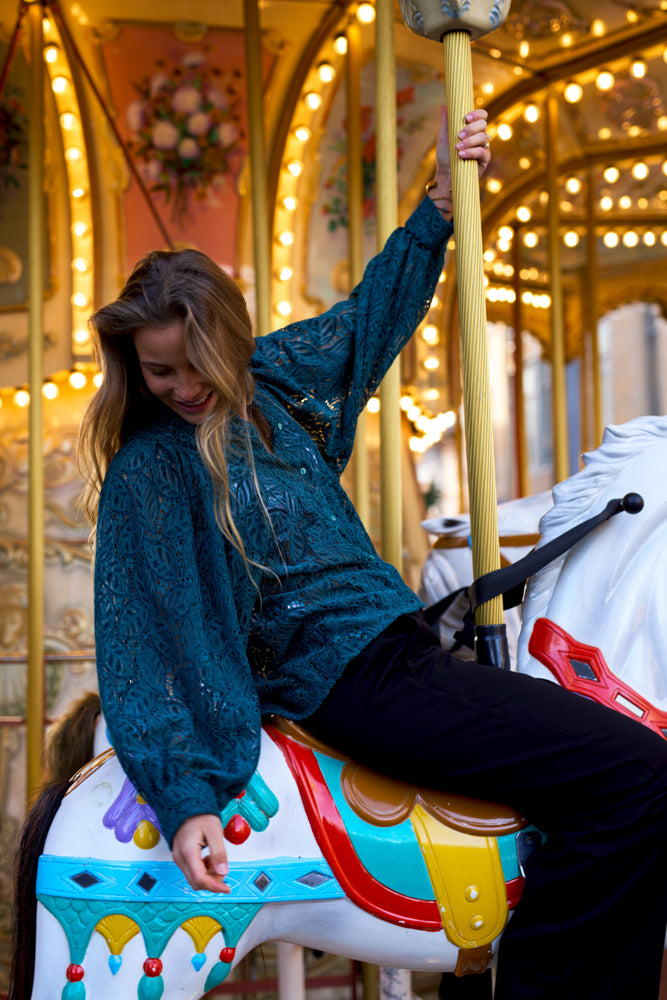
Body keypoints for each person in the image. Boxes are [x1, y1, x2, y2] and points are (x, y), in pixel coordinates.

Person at [80, 106, 667, 1000]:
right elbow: (144, 642)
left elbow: (368, 319)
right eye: (160, 372)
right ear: (134, 367)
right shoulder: (149, 472)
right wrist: (186, 794)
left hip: (404, 648)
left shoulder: (273, 384)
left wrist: (436, 208)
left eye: (198, 363)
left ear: (230, 342)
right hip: (349, 680)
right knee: (637, 775)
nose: (185, 387)